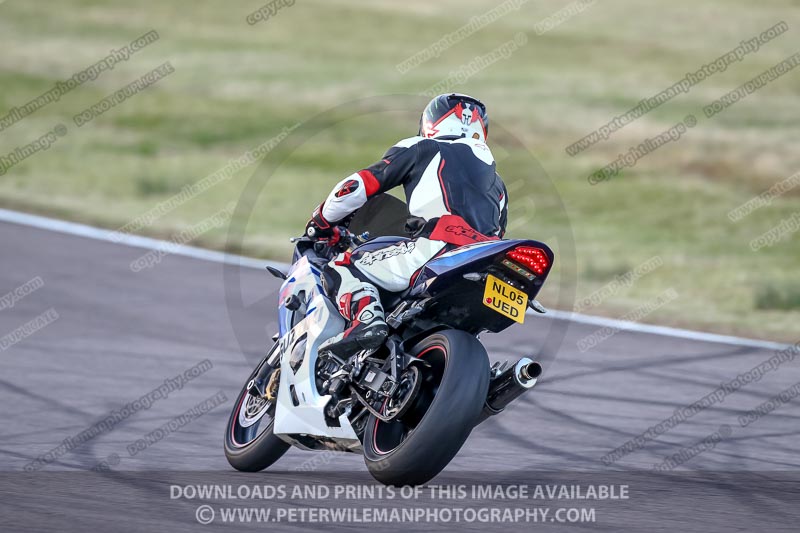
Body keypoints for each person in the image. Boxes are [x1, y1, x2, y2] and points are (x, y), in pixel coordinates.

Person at [305, 93, 508, 356]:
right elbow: (500, 231)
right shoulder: (498, 183)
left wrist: (321, 220)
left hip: (440, 247)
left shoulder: (422, 147)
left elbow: (356, 186)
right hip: (488, 262)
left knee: (341, 267)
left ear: (431, 122)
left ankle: (367, 322)